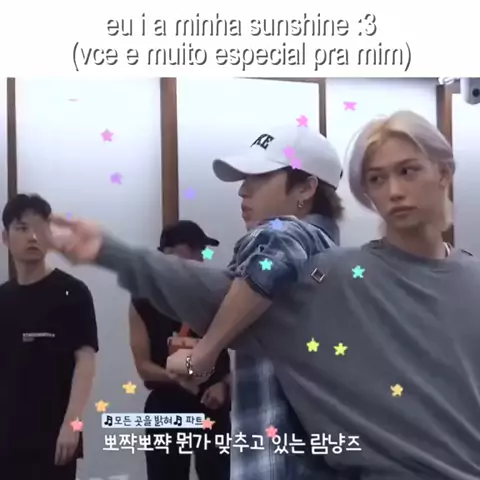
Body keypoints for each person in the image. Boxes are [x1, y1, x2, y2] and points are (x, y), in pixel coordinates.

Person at [35, 111, 480, 478]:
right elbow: (217, 293)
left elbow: (263, 266)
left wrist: (204, 350)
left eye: (408, 171)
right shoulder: (335, 272)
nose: (394, 191)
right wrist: (114, 254)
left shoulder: (288, 238)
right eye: (377, 179)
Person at [0, 194, 99, 480]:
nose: (33, 237)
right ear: (6, 237)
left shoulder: (73, 293)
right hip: (7, 438)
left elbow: (85, 364)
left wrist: (72, 424)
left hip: (55, 438)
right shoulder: (2, 299)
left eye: (40, 229)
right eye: (22, 228)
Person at [128, 220, 231, 480]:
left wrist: (224, 384)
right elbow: (143, 367)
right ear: (171, 252)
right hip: (165, 406)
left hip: (211, 403)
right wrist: (178, 377)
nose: (201, 258)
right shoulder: (143, 300)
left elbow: (242, 352)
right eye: (196, 249)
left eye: (202, 251)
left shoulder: (213, 294)